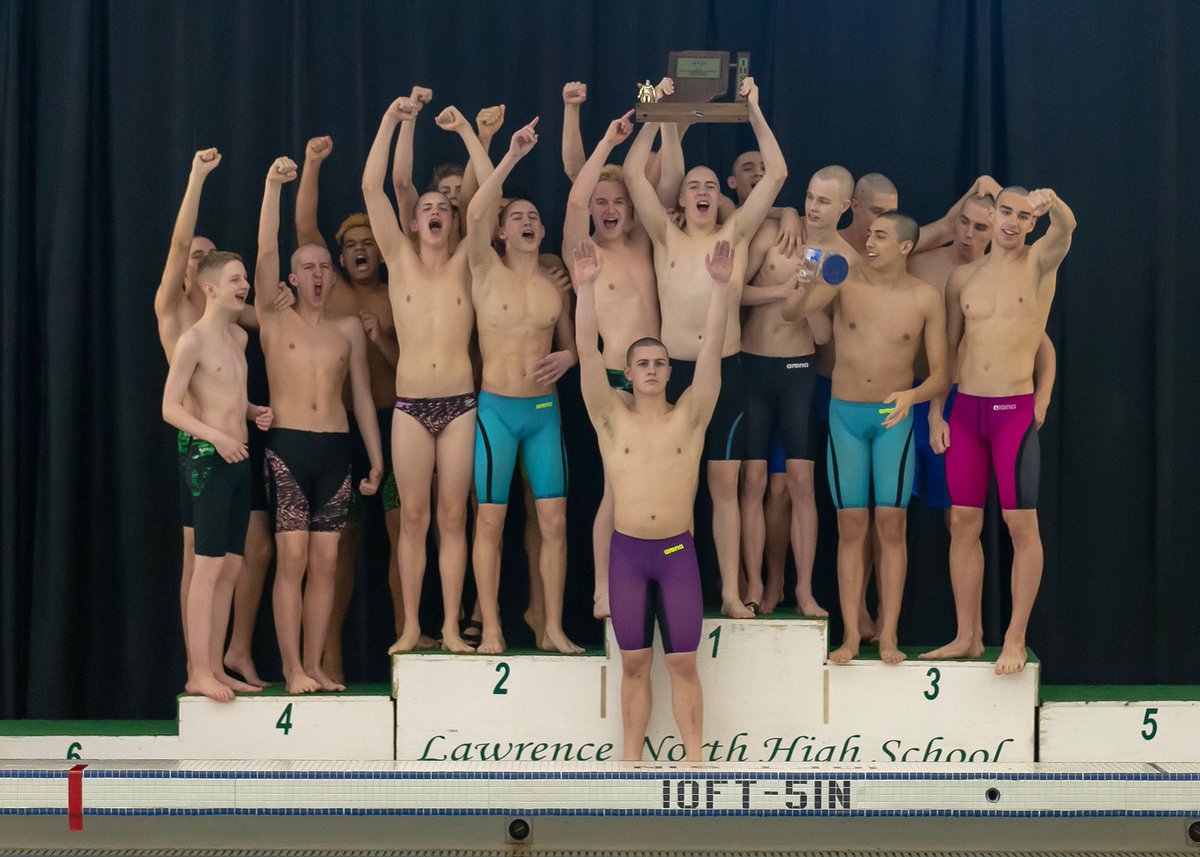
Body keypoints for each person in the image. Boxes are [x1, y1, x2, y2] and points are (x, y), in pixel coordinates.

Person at [623, 76, 787, 619]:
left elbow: (778, 173)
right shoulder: (664, 236)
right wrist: (654, 104)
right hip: (672, 375)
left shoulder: (736, 234)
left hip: (725, 370)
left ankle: (727, 592)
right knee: (674, 487)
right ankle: (677, 588)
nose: (701, 190)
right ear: (682, 196)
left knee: (724, 483)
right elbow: (630, 173)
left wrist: (755, 110)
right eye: (693, 183)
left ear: (721, 197)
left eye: (711, 184)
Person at [573, 237, 735, 762]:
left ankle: (694, 761)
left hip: (674, 555)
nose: (649, 369)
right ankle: (629, 762)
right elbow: (584, 352)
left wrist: (720, 288)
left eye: (659, 362)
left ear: (668, 371)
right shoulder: (607, 417)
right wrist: (586, 290)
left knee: (684, 664)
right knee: (635, 663)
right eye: (640, 362)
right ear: (629, 369)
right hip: (627, 555)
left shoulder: (689, 416)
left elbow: (711, 349)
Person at [783, 212, 949, 664]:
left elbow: (942, 375)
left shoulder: (925, 298)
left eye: (880, 236)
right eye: (870, 234)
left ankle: (890, 634)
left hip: (893, 417)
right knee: (850, 526)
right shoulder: (845, 280)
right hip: (846, 418)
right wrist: (802, 281)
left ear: (905, 247)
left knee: (891, 526)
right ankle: (852, 636)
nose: (870, 242)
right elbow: (791, 312)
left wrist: (912, 396)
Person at [922, 187, 1075, 675]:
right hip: (966, 411)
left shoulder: (1039, 264)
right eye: (1005, 211)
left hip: (1013, 411)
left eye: (1023, 216)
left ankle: (1014, 636)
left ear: (1032, 223)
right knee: (962, 525)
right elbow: (946, 352)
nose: (1011, 221)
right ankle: (967, 636)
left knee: (1020, 526)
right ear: (992, 214)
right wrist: (935, 412)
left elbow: (1068, 229)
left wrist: (1056, 207)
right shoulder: (962, 278)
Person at [297, 130, 433, 670]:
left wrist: (383, 339)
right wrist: (311, 165)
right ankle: (328, 657)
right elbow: (305, 228)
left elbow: (414, 361)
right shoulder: (332, 291)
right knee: (342, 544)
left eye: (367, 244)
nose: (358, 251)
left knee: (406, 534)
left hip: (398, 420)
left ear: (382, 249)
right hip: (344, 430)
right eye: (349, 246)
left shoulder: (398, 290)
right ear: (338, 256)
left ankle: (409, 635)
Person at [362, 96, 490, 653]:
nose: (436, 211)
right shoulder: (399, 258)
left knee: (452, 518)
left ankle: (448, 628)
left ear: (454, 220)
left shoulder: (468, 260)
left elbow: (489, 196)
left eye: (446, 206)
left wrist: (466, 131)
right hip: (412, 407)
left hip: (460, 404)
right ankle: (413, 625)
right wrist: (391, 120)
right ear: (414, 221)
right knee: (412, 519)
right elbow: (373, 188)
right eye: (427, 206)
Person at [256, 156, 384, 694]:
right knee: (293, 557)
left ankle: (314, 666)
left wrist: (376, 460)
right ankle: (290, 669)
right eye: (307, 267)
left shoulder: (348, 330)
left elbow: (360, 395)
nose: (317, 275)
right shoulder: (271, 313)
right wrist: (272, 188)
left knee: (328, 562)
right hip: (287, 447)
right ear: (291, 276)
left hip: (336, 449)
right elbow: (264, 250)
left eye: (323, 268)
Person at [155, 148, 281, 690]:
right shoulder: (180, 321)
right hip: (205, 452)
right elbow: (172, 406)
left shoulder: (236, 334)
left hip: (233, 450)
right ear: (203, 279)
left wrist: (252, 412)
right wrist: (198, 176)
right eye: (227, 275)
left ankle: (217, 663)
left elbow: (230, 388)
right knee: (203, 565)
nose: (241, 284)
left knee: (231, 564)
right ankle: (197, 670)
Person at [466, 118, 581, 656]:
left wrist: (570, 354)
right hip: (495, 412)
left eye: (535, 216)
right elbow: (473, 211)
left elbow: (575, 344)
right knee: (491, 522)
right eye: (517, 217)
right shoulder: (485, 269)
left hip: (542, 413)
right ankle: (491, 627)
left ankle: (552, 625)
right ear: (501, 231)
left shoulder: (553, 285)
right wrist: (510, 156)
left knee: (554, 520)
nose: (529, 221)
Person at [561, 109, 661, 619]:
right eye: (602, 202)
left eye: (618, 201)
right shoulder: (585, 253)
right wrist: (607, 138)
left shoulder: (644, 242)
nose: (607, 208)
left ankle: (652, 579)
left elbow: (654, 180)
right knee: (615, 487)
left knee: (659, 490)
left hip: (658, 381)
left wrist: (659, 119)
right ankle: (603, 585)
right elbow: (576, 197)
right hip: (617, 382)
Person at [907, 192, 1058, 515]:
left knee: (959, 511)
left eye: (978, 226)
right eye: (963, 222)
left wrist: (1042, 398)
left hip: (972, 396)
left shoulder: (1014, 276)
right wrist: (935, 413)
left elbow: (1041, 344)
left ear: (992, 227)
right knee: (893, 507)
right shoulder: (922, 264)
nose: (968, 234)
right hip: (921, 393)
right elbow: (893, 243)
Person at [737, 157, 830, 617]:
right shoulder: (769, 234)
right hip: (753, 366)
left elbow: (826, 335)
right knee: (752, 482)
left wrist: (808, 292)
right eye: (808, 198)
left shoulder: (830, 256)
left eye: (821, 201)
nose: (811, 208)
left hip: (798, 371)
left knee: (801, 484)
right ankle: (754, 584)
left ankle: (804, 590)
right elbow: (736, 291)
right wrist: (782, 291)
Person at [838, 173, 898, 256]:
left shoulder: (895, 253)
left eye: (891, 213)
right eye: (877, 211)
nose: (886, 221)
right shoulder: (826, 245)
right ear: (855, 206)